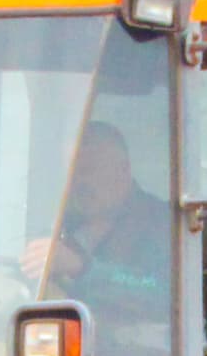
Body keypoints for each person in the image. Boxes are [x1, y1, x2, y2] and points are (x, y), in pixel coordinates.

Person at [23, 121, 171, 312]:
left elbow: (164, 292)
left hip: (136, 339)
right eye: (71, 173)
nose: (78, 182)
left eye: (88, 170)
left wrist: (83, 269)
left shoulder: (162, 223)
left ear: (122, 170)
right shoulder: (61, 224)